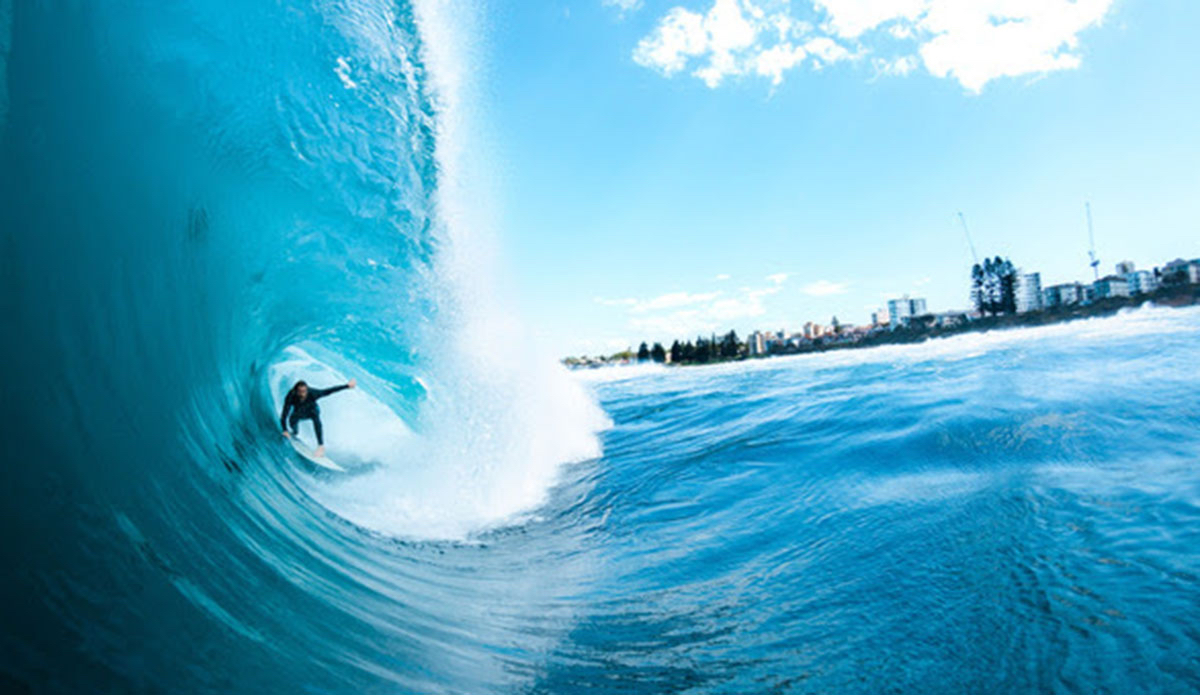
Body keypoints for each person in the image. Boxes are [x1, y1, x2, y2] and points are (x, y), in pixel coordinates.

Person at [280, 379, 356, 457]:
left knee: (316, 419)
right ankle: (294, 433)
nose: (303, 394)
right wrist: (285, 430)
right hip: (299, 412)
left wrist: (347, 386)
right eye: (301, 391)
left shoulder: (313, 393)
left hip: (312, 410)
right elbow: (284, 414)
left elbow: (329, 391)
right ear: (296, 391)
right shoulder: (291, 396)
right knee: (292, 421)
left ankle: (321, 446)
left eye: (305, 391)